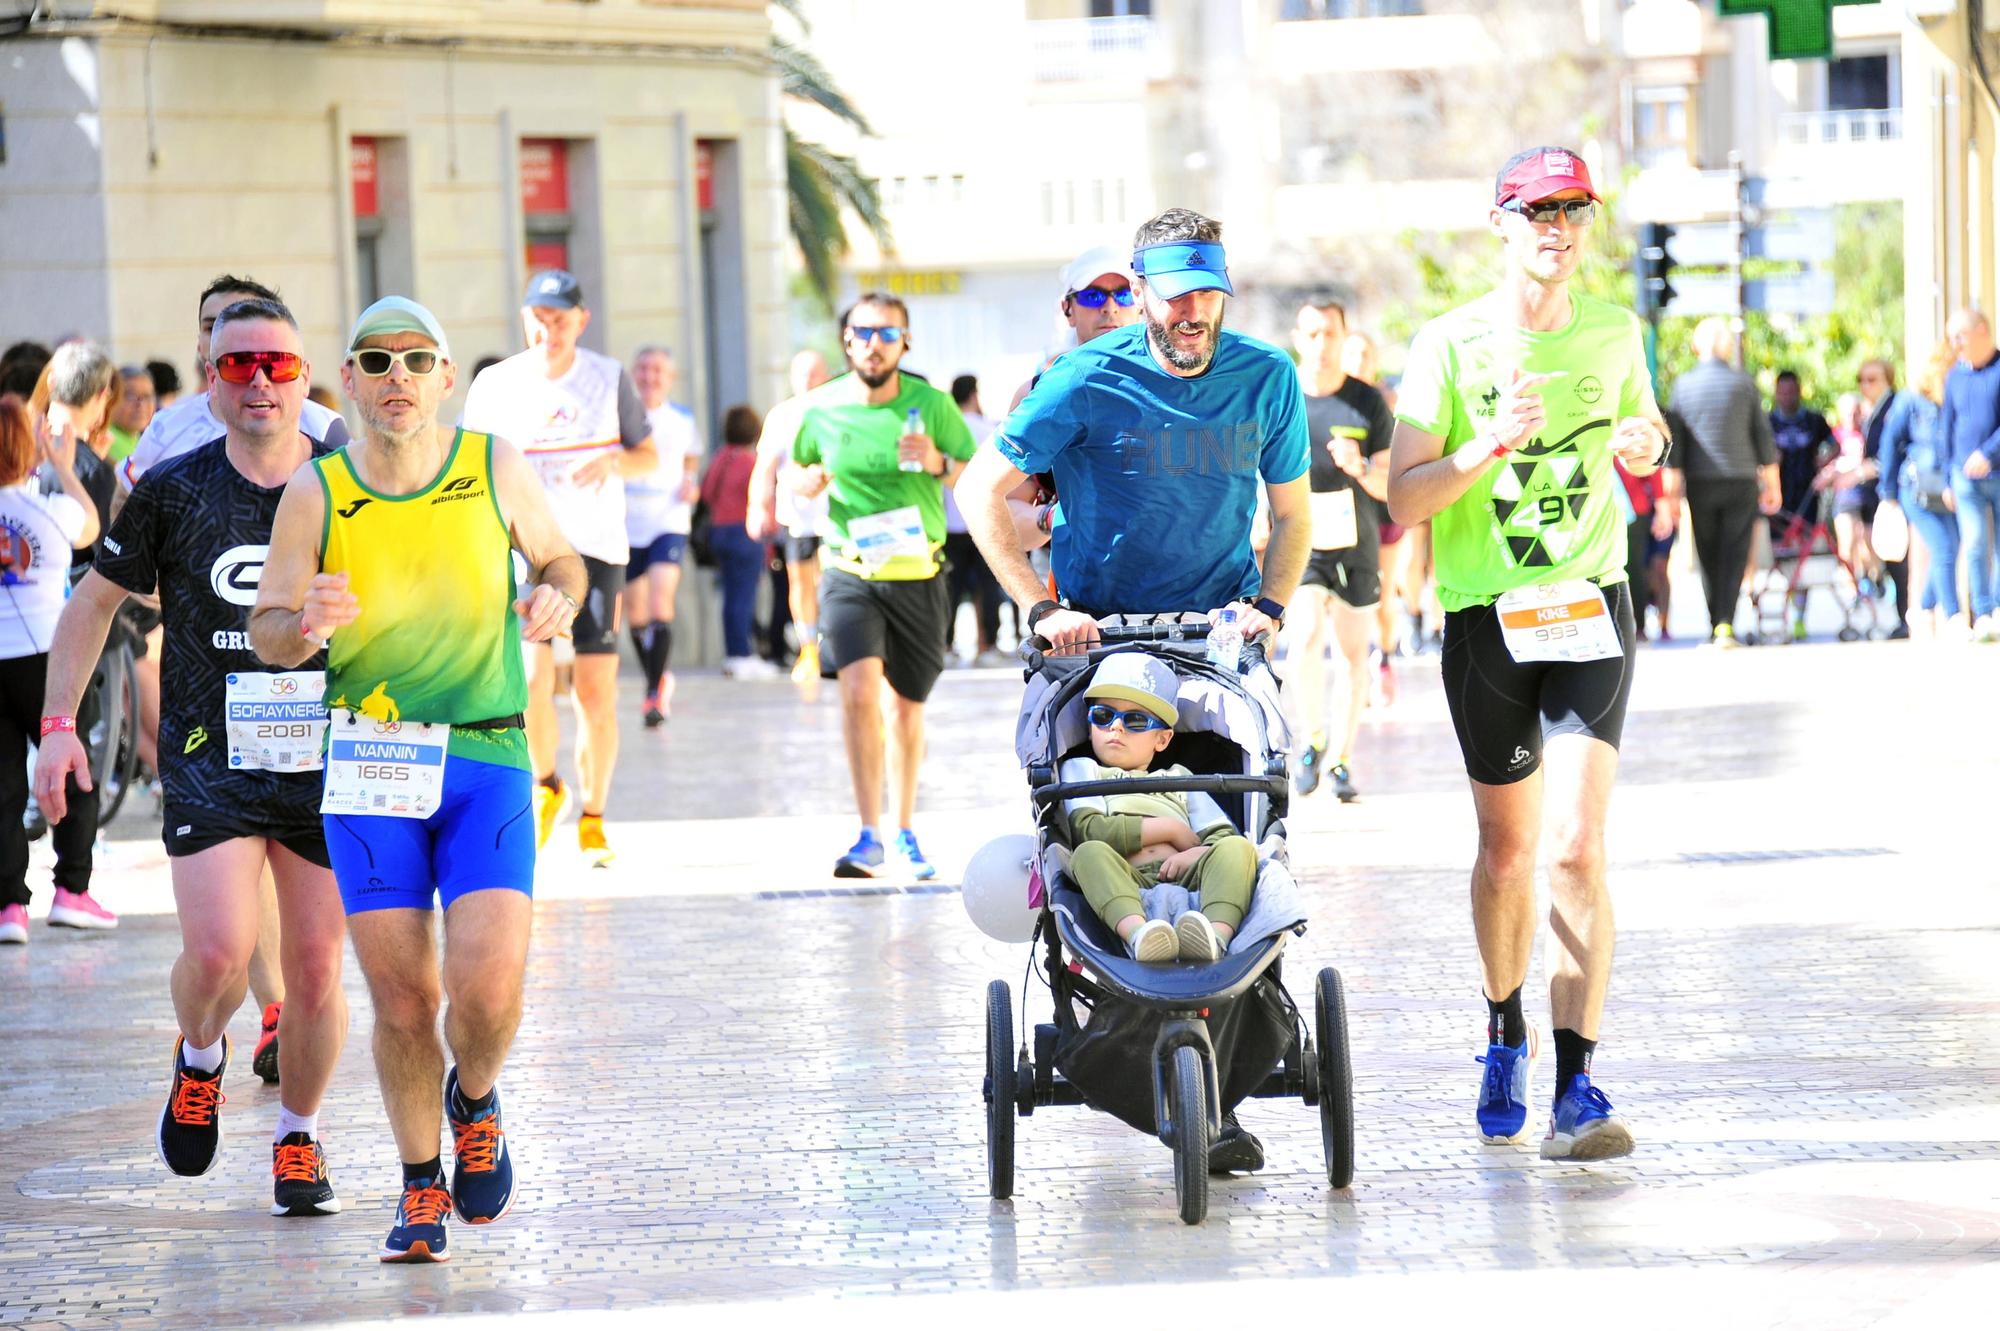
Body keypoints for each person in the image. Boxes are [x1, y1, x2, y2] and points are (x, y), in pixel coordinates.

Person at [958, 208, 1310, 1177]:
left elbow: (1289, 516)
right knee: (1086, 833)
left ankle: (1215, 1069)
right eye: (1172, 291)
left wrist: (1269, 605)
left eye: (1207, 291)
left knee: (1239, 827)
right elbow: (977, 491)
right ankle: (1150, 1057)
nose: (1190, 310)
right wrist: (1036, 607)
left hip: (1210, 654)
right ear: (1140, 289)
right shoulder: (1083, 375)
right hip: (1098, 649)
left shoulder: (1264, 377)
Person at [250, 295, 584, 1263]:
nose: (397, 377)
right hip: (369, 766)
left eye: (416, 359)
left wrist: (559, 587)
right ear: (346, 379)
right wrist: (302, 622)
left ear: (445, 376)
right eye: (375, 359)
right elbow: (271, 629)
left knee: (485, 994)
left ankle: (474, 1094)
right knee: (402, 999)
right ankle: (419, 1185)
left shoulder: (492, 466)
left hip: (484, 753)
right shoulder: (316, 491)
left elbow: (561, 554)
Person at [33, 297, 349, 1215]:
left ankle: (299, 1136)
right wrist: (57, 731)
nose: (259, 380)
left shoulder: (346, 485)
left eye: (279, 365)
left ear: (303, 376)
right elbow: (92, 605)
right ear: (211, 377)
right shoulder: (173, 488)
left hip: (325, 755)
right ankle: (201, 1053)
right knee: (218, 954)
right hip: (211, 753)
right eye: (239, 363)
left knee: (319, 970)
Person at [1387, 147, 1668, 1161]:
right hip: (1485, 616)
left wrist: (1648, 443)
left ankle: (1577, 1081)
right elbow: (1402, 496)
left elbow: (1641, 423)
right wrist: (1486, 444)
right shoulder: (1448, 342)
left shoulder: (1614, 328)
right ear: (1499, 223)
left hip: (1588, 601)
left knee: (1574, 848)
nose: (1556, 226)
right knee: (1507, 853)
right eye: (1535, 209)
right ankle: (1501, 1023)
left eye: (1572, 209)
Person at [459, 270, 659, 866]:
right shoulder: (496, 384)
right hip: (525, 551)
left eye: (561, 319)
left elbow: (650, 455)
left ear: (581, 320)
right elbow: (469, 469)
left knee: (595, 692)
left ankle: (594, 816)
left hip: (597, 552)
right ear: (525, 320)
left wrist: (613, 466)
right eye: (539, 318)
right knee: (530, 681)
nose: (549, 329)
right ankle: (546, 786)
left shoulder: (608, 377)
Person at [780, 294, 977, 879]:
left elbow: (977, 473)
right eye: (863, 332)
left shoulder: (932, 405)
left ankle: (905, 829)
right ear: (846, 341)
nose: (873, 343)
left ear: (905, 342)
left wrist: (940, 463)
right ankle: (867, 835)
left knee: (905, 711)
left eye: (887, 334)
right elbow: (797, 469)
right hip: (848, 571)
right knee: (860, 694)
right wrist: (808, 482)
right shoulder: (821, 408)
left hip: (919, 573)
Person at [1062, 654, 1256, 965]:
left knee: (1239, 848)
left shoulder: (1179, 779)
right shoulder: (1084, 771)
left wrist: (1194, 853)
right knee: (1088, 853)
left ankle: (1216, 938)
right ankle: (1140, 936)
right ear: (1090, 727)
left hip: (1191, 879)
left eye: (1135, 720)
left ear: (1163, 739)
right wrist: (1171, 830)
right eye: (1102, 716)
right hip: (1124, 879)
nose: (1116, 727)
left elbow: (1221, 837)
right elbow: (1088, 830)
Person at [0, 396, 105, 943]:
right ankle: (72, 890)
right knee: (73, 768)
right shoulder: (47, 509)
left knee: (1, 787)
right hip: (46, 657)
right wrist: (63, 466)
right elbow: (91, 526)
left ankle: (8, 907)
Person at [1283, 299, 1394, 803]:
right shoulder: (1282, 397)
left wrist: (1359, 466)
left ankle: (1341, 761)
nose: (1321, 345)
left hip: (1356, 540)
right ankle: (1312, 740)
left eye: (1330, 334)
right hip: (1301, 537)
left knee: (1352, 654)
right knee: (1304, 639)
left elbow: (1389, 482)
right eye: (1311, 334)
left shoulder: (1367, 402)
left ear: (1343, 336)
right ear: (1297, 338)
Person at [123, 275, 348, 491]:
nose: (260, 381)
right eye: (211, 327)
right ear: (200, 345)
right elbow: (128, 501)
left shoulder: (322, 426)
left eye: (242, 318)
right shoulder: (165, 428)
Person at [1665, 318, 1780, 647]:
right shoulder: (1742, 383)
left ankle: (1715, 623)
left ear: (1696, 347)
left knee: (1708, 552)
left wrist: (1671, 495)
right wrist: (1773, 484)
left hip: (1701, 482)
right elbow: (1762, 437)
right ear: (1727, 347)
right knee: (1735, 552)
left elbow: (1676, 445)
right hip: (1741, 479)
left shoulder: (1683, 387)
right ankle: (1726, 624)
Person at [621, 346, 699, 724]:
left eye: (658, 371)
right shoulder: (619, 416)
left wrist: (690, 484)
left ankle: (653, 695)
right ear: (635, 375)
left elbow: (690, 458)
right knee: (635, 615)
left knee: (659, 600)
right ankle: (657, 675)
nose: (651, 376)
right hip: (625, 522)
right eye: (644, 369)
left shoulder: (682, 418)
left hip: (668, 520)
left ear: (670, 378)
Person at [1877, 342, 1960, 639]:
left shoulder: (1951, 400)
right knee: (1944, 547)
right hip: (1916, 488)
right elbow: (1889, 443)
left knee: (1953, 545)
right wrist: (1887, 494)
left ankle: (1923, 607)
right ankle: (1953, 615)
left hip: (1947, 487)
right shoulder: (1910, 401)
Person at [1937, 308, 2000, 640]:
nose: (1954, 345)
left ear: (1981, 331)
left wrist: (1988, 453)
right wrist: (1947, 478)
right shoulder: (1956, 376)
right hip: (1964, 478)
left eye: (1958, 337)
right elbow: (1946, 429)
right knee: (1974, 543)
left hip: (1998, 471)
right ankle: (1984, 612)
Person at [700, 405, 774, 677]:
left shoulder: (721, 457)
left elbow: (706, 493)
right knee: (745, 596)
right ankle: (742, 654)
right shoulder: (751, 462)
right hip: (745, 534)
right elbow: (762, 498)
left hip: (719, 534)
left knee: (731, 597)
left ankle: (732, 654)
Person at [944, 374, 1005, 665]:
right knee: (986, 585)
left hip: (950, 523)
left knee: (950, 589)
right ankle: (987, 645)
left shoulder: (944, 431)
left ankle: (946, 646)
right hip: (981, 521)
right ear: (973, 394)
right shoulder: (986, 429)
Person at [1857, 360, 1909, 636]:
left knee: (1899, 558)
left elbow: (1892, 453)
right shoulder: (1872, 411)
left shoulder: (1894, 408)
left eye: (1872, 379)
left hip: (1891, 492)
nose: (1865, 385)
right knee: (1890, 556)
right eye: (1861, 379)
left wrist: (1867, 470)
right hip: (1876, 492)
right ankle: (1903, 616)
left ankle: (1907, 617)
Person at [106, 365, 157, 464]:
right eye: (130, 395)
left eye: (147, 396)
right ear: (109, 399)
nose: (140, 404)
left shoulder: (144, 441)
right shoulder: (104, 441)